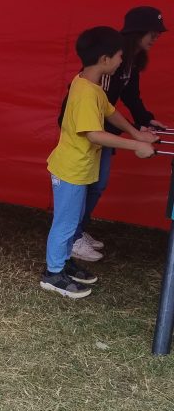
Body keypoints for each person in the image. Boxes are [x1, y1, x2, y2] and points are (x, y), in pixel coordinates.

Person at [41, 26, 157, 299]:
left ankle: (64, 261)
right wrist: (136, 145)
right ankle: (52, 274)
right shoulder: (83, 92)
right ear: (105, 59)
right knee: (66, 223)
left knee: (74, 220)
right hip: (70, 170)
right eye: (119, 56)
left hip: (80, 169)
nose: (121, 62)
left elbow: (111, 113)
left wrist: (136, 132)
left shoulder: (92, 85)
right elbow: (94, 133)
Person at [71, 6, 167, 262]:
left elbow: (129, 96)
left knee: (97, 185)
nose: (156, 37)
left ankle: (78, 230)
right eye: (153, 32)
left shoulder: (128, 61)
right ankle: (73, 235)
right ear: (138, 32)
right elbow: (98, 109)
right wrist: (133, 136)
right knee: (87, 184)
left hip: (104, 130)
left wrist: (144, 121)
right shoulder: (108, 63)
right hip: (90, 131)